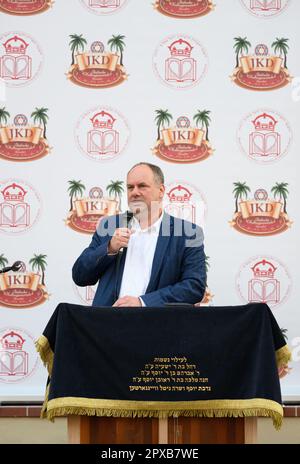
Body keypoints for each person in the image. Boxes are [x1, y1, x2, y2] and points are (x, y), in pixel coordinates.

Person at [72, 162, 206, 307]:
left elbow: (194, 287)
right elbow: (80, 276)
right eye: (130, 187)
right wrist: (109, 248)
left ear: (161, 191)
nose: (135, 192)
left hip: (157, 325)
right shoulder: (109, 226)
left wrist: (143, 303)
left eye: (142, 186)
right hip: (109, 323)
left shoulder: (188, 233)